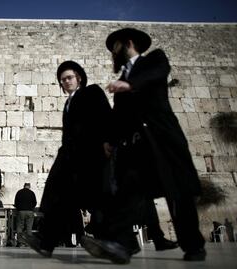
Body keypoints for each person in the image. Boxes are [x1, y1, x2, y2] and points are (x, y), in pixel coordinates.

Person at [81, 28, 206, 263]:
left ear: (128, 43)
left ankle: (193, 245)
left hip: (162, 140)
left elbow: (158, 73)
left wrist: (130, 85)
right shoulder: (122, 81)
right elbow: (119, 117)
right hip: (136, 147)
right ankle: (121, 245)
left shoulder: (153, 60)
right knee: (127, 192)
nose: (112, 54)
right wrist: (110, 140)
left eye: (115, 48)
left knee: (178, 193)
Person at [22, 61, 113, 257]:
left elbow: (106, 116)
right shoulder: (68, 103)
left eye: (69, 77)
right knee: (59, 196)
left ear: (79, 77)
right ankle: (46, 243)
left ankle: (109, 241)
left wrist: (108, 141)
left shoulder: (92, 92)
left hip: (91, 153)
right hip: (70, 155)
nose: (66, 82)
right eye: (62, 80)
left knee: (97, 196)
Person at [14, 183, 37, 247]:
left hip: (21, 211)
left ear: (23, 186)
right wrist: (31, 208)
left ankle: (20, 242)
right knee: (29, 228)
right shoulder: (32, 193)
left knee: (19, 227)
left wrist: (19, 208)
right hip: (30, 211)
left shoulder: (19, 192)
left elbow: (16, 202)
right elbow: (35, 202)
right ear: (29, 186)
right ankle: (28, 243)